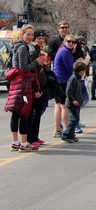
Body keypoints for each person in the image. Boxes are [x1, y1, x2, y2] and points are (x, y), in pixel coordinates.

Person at [4, 24, 46, 152]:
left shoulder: (18, 47)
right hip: (22, 87)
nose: (30, 37)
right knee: (23, 114)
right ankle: (23, 144)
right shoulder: (22, 48)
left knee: (16, 114)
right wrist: (37, 62)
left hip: (17, 85)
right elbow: (23, 68)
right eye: (28, 34)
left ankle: (15, 143)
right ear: (22, 34)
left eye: (31, 35)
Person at [27, 31, 51, 147]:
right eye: (39, 38)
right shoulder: (32, 51)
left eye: (42, 38)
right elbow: (32, 69)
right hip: (34, 86)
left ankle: (35, 137)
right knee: (34, 113)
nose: (41, 40)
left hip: (40, 85)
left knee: (37, 112)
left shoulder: (38, 51)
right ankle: (30, 138)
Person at [53, 35, 77, 138]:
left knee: (58, 105)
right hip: (63, 81)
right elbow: (70, 68)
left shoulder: (63, 51)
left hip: (57, 80)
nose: (71, 43)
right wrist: (79, 63)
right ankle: (67, 130)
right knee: (64, 106)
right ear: (64, 41)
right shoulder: (65, 52)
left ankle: (58, 130)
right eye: (69, 41)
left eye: (73, 42)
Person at [61, 61, 86, 143]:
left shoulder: (78, 79)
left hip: (77, 103)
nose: (84, 73)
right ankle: (66, 134)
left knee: (76, 119)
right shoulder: (73, 79)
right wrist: (73, 100)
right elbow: (68, 91)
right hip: (72, 103)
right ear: (81, 71)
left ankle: (71, 135)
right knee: (74, 119)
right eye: (84, 71)